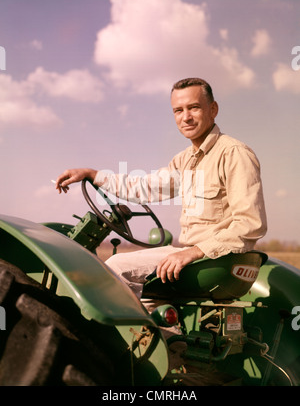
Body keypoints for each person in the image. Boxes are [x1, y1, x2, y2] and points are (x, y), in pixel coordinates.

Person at [55, 77, 267, 305]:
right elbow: (144, 188)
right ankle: (171, 339)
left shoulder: (233, 153)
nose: (185, 117)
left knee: (115, 267)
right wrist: (94, 174)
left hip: (215, 261)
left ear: (213, 109)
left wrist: (192, 252)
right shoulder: (184, 160)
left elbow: (249, 223)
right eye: (178, 110)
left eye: (194, 107)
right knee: (146, 303)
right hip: (202, 259)